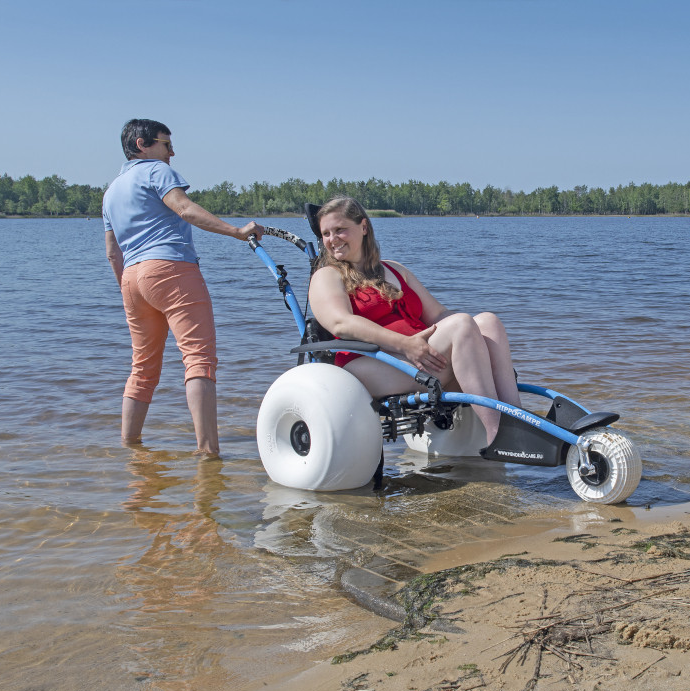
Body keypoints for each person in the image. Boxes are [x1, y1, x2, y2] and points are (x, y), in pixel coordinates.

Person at [103, 118, 263, 456]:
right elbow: (186, 209)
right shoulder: (156, 171)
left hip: (132, 278)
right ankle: (207, 452)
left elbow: (112, 252)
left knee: (143, 366)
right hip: (171, 268)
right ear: (141, 145)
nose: (171, 152)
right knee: (199, 359)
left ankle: (130, 448)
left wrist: (127, 290)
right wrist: (236, 232)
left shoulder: (111, 190)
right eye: (165, 143)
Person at [306, 195, 520, 446]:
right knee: (462, 325)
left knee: (488, 322)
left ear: (363, 227)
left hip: (419, 358)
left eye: (340, 230)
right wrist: (404, 344)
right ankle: (500, 436)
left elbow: (439, 315)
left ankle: (519, 419)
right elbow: (340, 323)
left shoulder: (394, 269)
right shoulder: (327, 276)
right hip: (370, 363)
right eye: (326, 233)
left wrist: (475, 335)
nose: (332, 240)